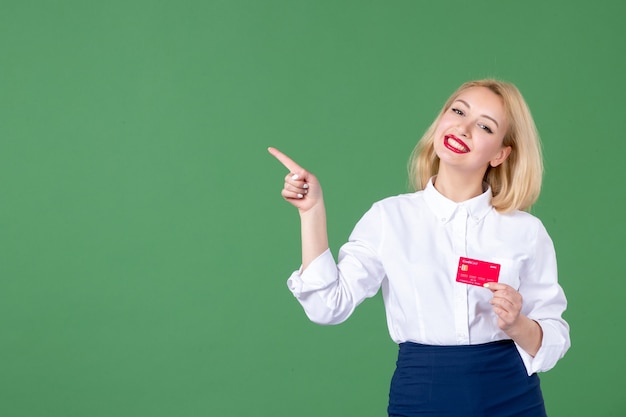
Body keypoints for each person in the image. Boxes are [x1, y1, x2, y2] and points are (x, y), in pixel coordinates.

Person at [268, 79, 570, 417]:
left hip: (511, 397)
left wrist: (518, 324)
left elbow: (554, 336)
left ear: (501, 153)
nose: (464, 127)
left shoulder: (526, 232)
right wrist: (312, 213)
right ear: (441, 120)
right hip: (421, 396)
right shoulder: (388, 218)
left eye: (485, 126)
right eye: (458, 111)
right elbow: (327, 307)